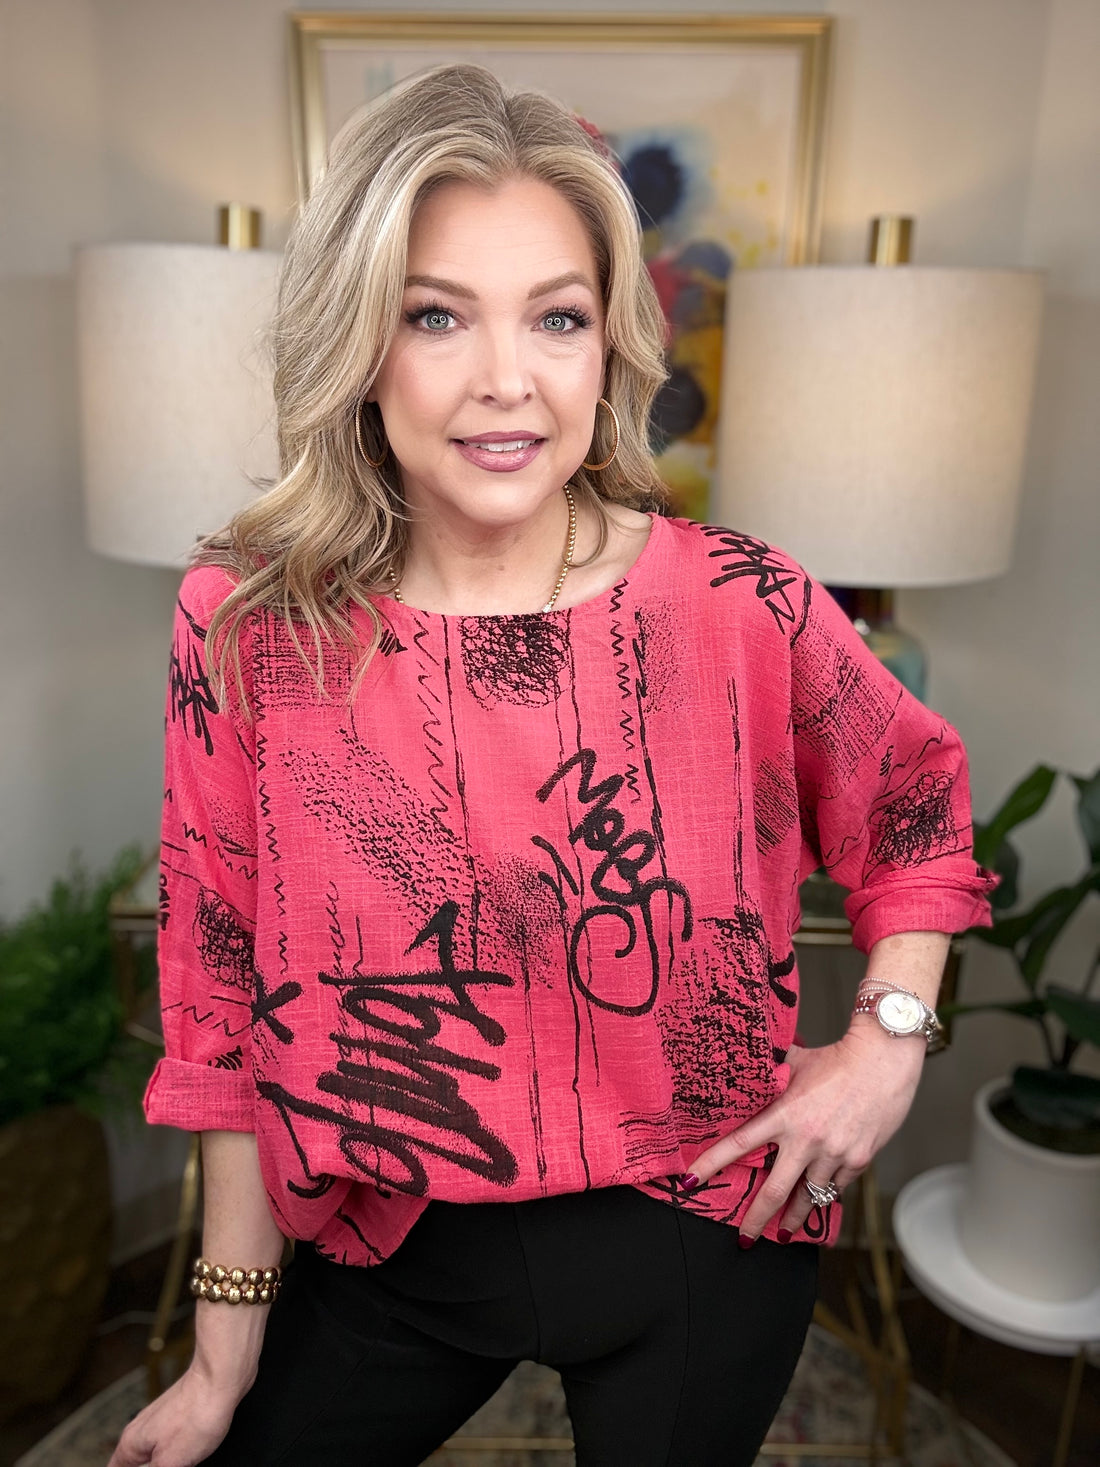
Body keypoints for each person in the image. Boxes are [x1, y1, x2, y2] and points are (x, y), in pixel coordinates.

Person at [110, 64, 996, 1467]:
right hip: (387, 1248)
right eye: (437, 315)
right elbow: (220, 1006)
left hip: (706, 1241)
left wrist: (886, 1048)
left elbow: (917, 811)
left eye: (558, 317)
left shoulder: (741, 604)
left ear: (608, 346)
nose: (506, 380)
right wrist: (223, 1352)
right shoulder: (252, 623)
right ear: (359, 343)